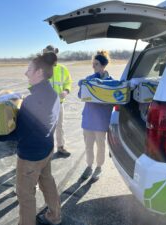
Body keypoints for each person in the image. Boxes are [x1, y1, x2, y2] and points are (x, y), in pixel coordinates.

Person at [0, 52, 61, 225]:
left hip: (31, 156)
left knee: (25, 195)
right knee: (47, 182)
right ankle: (54, 216)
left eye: (29, 69)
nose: (26, 73)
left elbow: (17, 134)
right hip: (46, 150)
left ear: (39, 72)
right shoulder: (52, 93)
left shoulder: (32, 101)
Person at [79, 50, 113, 181]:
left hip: (101, 120)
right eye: (93, 64)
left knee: (100, 146)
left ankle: (99, 167)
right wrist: (83, 86)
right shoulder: (89, 80)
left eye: (96, 64)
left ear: (103, 65)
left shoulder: (111, 82)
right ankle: (89, 166)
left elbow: (114, 99)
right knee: (88, 146)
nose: (93, 66)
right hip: (88, 119)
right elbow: (80, 96)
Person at [43, 45, 72, 157]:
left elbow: (68, 82)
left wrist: (66, 91)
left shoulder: (62, 69)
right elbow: (32, 85)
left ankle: (60, 147)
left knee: (60, 126)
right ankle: (47, 150)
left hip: (59, 104)